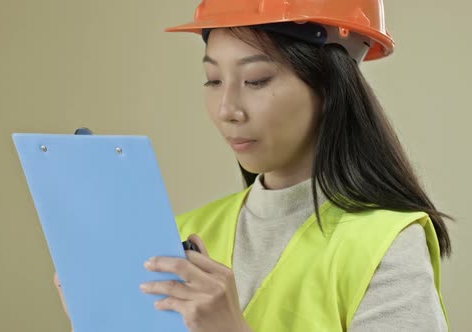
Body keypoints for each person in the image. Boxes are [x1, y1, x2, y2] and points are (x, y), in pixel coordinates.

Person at [55, 0, 451, 331]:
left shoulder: (385, 243)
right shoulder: (179, 233)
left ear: (331, 87)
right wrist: (101, 320)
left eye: (256, 80)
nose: (227, 109)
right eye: (212, 80)